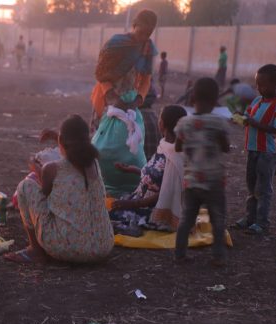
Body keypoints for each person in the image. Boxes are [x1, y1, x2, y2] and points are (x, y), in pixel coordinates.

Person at [4, 115, 114, 265]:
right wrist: (58, 137)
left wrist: (35, 168)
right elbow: (77, 149)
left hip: (68, 249)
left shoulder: (52, 168)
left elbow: (44, 196)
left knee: (25, 186)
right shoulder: (93, 163)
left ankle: (35, 250)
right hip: (103, 246)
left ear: (61, 141)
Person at [90, 9, 158, 196]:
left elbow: (145, 79)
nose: (144, 36)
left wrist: (138, 99)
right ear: (134, 25)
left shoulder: (147, 48)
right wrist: (112, 97)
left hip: (129, 100)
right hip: (106, 100)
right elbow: (102, 74)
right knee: (100, 144)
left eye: (148, 33)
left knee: (130, 148)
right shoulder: (115, 44)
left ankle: (127, 186)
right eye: (141, 31)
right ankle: (97, 185)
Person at [173, 78, 230, 266]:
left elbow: (178, 147)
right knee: (218, 219)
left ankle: (180, 254)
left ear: (192, 98)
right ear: (215, 100)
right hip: (214, 180)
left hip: (191, 181)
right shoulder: (218, 122)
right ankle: (218, 257)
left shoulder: (184, 123)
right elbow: (226, 147)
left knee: (186, 219)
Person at [109, 105, 187, 232]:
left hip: (155, 210)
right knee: (112, 209)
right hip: (141, 201)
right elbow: (158, 177)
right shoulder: (165, 145)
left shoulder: (175, 155)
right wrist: (133, 169)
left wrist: (133, 204)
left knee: (109, 216)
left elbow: (165, 193)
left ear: (162, 123)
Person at [233, 64, 276, 235]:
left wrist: (255, 124)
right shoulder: (256, 101)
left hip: (266, 153)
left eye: (262, 84)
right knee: (251, 186)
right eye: (257, 84)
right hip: (252, 149)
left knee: (263, 189)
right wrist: (240, 118)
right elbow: (248, 117)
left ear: (275, 84)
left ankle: (262, 223)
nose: (258, 88)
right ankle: (250, 218)